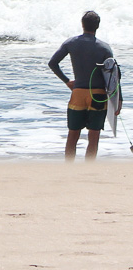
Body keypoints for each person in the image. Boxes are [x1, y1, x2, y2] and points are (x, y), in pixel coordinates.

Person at [48, 10, 115, 161]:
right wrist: (118, 100)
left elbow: (53, 63)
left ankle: (69, 168)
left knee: (73, 134)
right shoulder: (105, 48)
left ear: (82, 24)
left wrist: (67, 81)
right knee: (94, 135)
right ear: (97, 26)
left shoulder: (71, 43)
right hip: (98, 95)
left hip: (78, 93)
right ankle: (88, 169)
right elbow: (112, 77)